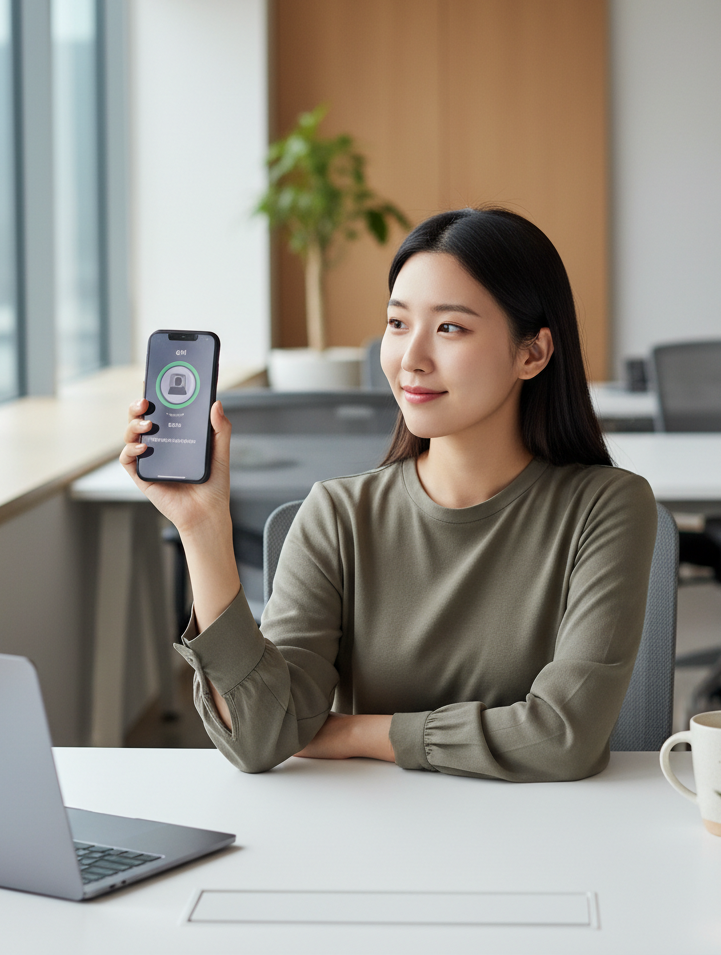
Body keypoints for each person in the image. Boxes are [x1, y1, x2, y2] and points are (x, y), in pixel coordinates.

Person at [121, 208, 657, 782]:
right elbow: (260, 738)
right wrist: (202, 529)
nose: (411, 359)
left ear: (532, 353)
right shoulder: (338, 514)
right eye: (398, 324)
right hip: (374, 841)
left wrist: (357, 731)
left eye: (450, 327)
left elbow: (562, 737)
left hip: (547, 842)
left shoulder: (606, 506)